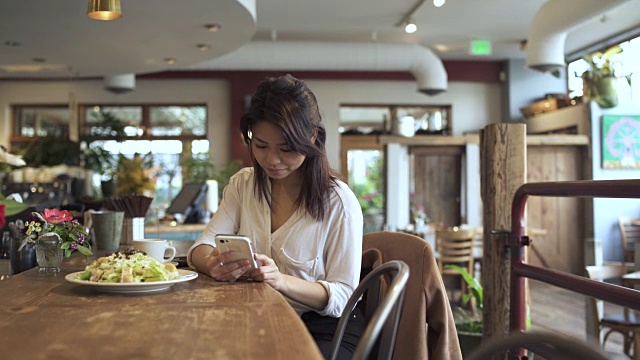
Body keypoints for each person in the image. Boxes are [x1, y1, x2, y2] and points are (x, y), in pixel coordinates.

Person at [187, 74, 365, 359]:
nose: (272, 160)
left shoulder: (339, 202)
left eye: (286, 149)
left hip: (323, 326)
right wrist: (211, 263)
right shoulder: (243, 185)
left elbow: (344, 296)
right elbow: (200, 247)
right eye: (260, 146)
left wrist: (280, 280)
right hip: (257, 316)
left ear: (313, 137)